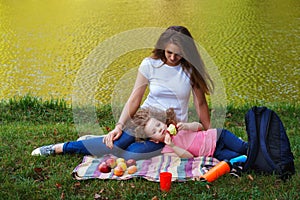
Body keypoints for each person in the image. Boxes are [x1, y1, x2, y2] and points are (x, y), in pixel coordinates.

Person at [31, 26, 214, 160]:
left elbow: (200, 104)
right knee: (116, 143)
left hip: (167, 128)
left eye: (178, 54)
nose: (173, 57)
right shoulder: (149, 65)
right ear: (162, 47)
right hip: (145, 118)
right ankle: (61, 148)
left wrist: (210, 131)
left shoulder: (190, 70)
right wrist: (119, 125)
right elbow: (135, 98)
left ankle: (99, 144)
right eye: (169, 52)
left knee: (133, 153)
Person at [131, 107, 248, 161]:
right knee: (237, 157)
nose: (159, 129)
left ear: (163, 122)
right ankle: (258, 158)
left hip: (218, 136)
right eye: (154, 132)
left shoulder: (178, 127)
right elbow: (189, 157)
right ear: (154, 140)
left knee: (243, 147)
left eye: (158, 125)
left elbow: (200, 127)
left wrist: (187, 126)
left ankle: (261, 145)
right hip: (214, 152)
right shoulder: (167, 150)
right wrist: (173, 146)